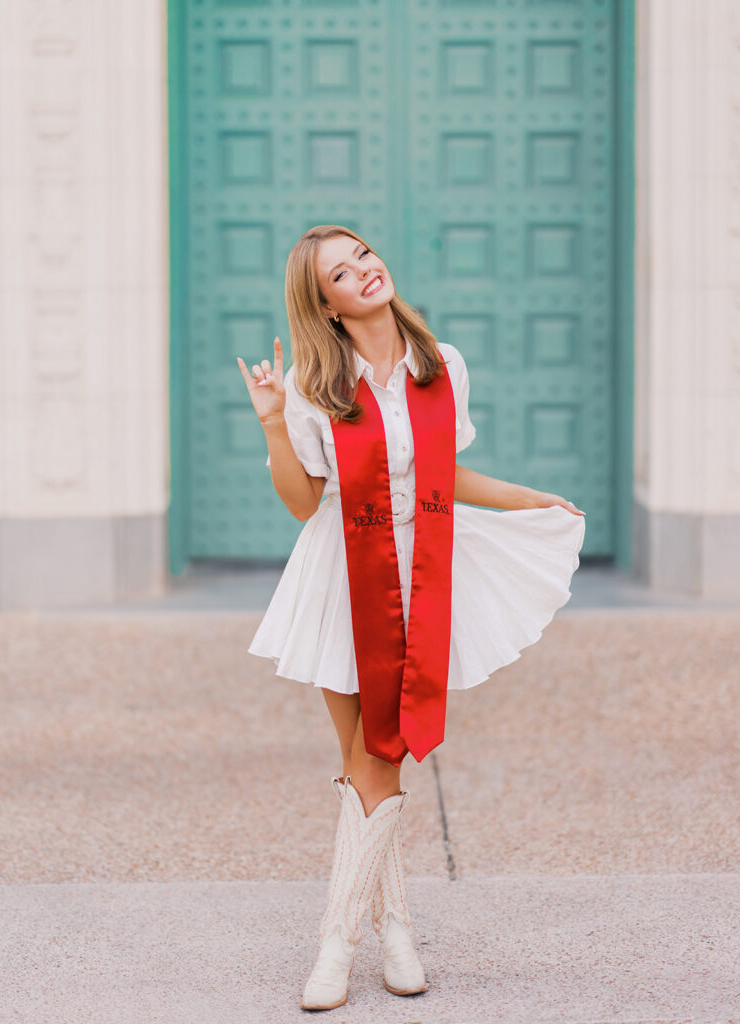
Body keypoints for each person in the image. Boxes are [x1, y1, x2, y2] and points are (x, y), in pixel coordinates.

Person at [237, 224, 586, 1012]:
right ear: (322, 304)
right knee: (370, 757)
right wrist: (268, 419)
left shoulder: (441, 365)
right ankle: (391, 929)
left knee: (376, 759)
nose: (364, 269)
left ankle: (340, 944)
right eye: (340, 271)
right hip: (343, 579)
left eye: (363, 253)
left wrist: (530, 496)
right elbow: (302, 504)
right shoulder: (313, 383)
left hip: (420, 570)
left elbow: (445, 470)